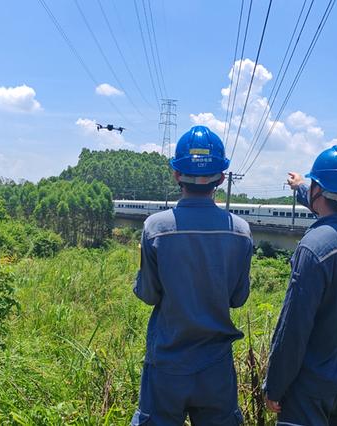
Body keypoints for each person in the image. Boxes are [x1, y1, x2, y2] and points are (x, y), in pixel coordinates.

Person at [131, 125, 252, 426]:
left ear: (176, 174)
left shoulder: (156, 228)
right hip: (215, 367)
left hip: (167, 362)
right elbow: (238, 299)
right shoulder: (240, 231)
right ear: (221, 179)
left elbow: (148, 294)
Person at [263, 145, 337, 425]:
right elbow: (333, 213)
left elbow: (294, 327)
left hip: (310, 384)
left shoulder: (313, 248)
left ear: (320, 191)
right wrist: (301, 186)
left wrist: (275, 385)